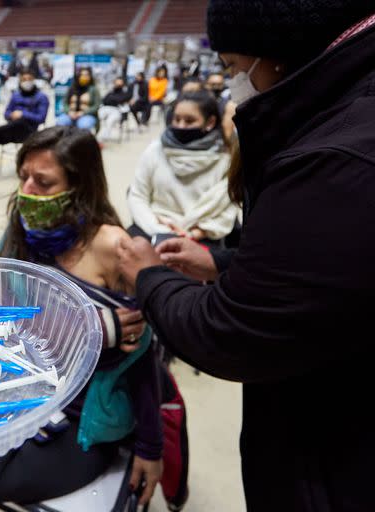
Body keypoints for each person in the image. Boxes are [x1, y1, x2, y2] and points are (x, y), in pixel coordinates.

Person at [115, 2, 375, 510]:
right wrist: (225, 263)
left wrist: (148, 277)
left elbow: (231, 333)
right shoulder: (343, 123)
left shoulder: (334, 158)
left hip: (336, 463)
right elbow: (328, 269)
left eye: (234, 67)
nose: (233, 82)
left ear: (277, 55)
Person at [0, 127, 163, 511]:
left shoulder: (114, 248)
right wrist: (92, 327)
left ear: (79, 186)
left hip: (83, 422)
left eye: (43, 182)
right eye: (23, 177)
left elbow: (142, 361)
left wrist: (151, 447)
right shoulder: (19, 234)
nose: (28, 190)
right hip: (20, 391)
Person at [128, 91, 237, 245]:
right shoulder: (155, 150)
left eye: (189, 121)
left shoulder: (224, 160)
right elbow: (137, 196)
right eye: (177, 119)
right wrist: (158, 228)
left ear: (210, 122)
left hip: (201, 236)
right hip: (153, 229)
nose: (181, 125)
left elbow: (226, 210)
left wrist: (194, 234)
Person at [0, 69, 49, 187]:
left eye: (29, 79)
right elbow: (6, 113)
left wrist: (23, 114)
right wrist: (11, 115)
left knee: (21, 121)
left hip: (29, 132)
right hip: (12, 129)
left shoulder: (41, 97)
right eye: (24, 79)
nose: (26, 82)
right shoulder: (15, 95)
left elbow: (41, 118)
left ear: (34, 80)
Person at [96, 76, 133, 141]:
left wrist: (112, 99)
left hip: (117, 110)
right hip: (106, 108)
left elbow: (121, 100)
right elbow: (104, 100)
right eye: (117, 82)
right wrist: (113, 98)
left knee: (110, 120)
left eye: (119, 82)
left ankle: (103, 137)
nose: (118, 83)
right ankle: (96, 135)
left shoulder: (125, 92)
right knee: (98, 116)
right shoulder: (111, 91)